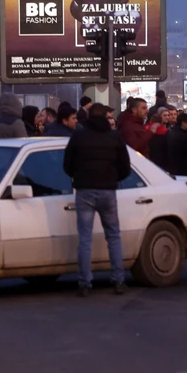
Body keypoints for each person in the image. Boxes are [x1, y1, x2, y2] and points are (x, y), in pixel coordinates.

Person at [63, 103, 130, 297]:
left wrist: (78, 177)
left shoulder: (78, 136)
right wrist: (113, 178)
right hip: (108, 190)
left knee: (85, 238)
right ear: (105, 116)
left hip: (84, 191)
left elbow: (67, 164)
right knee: (114, 236)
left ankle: (85, 283)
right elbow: (125, 166)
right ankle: (118, 280)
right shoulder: (114, 137)